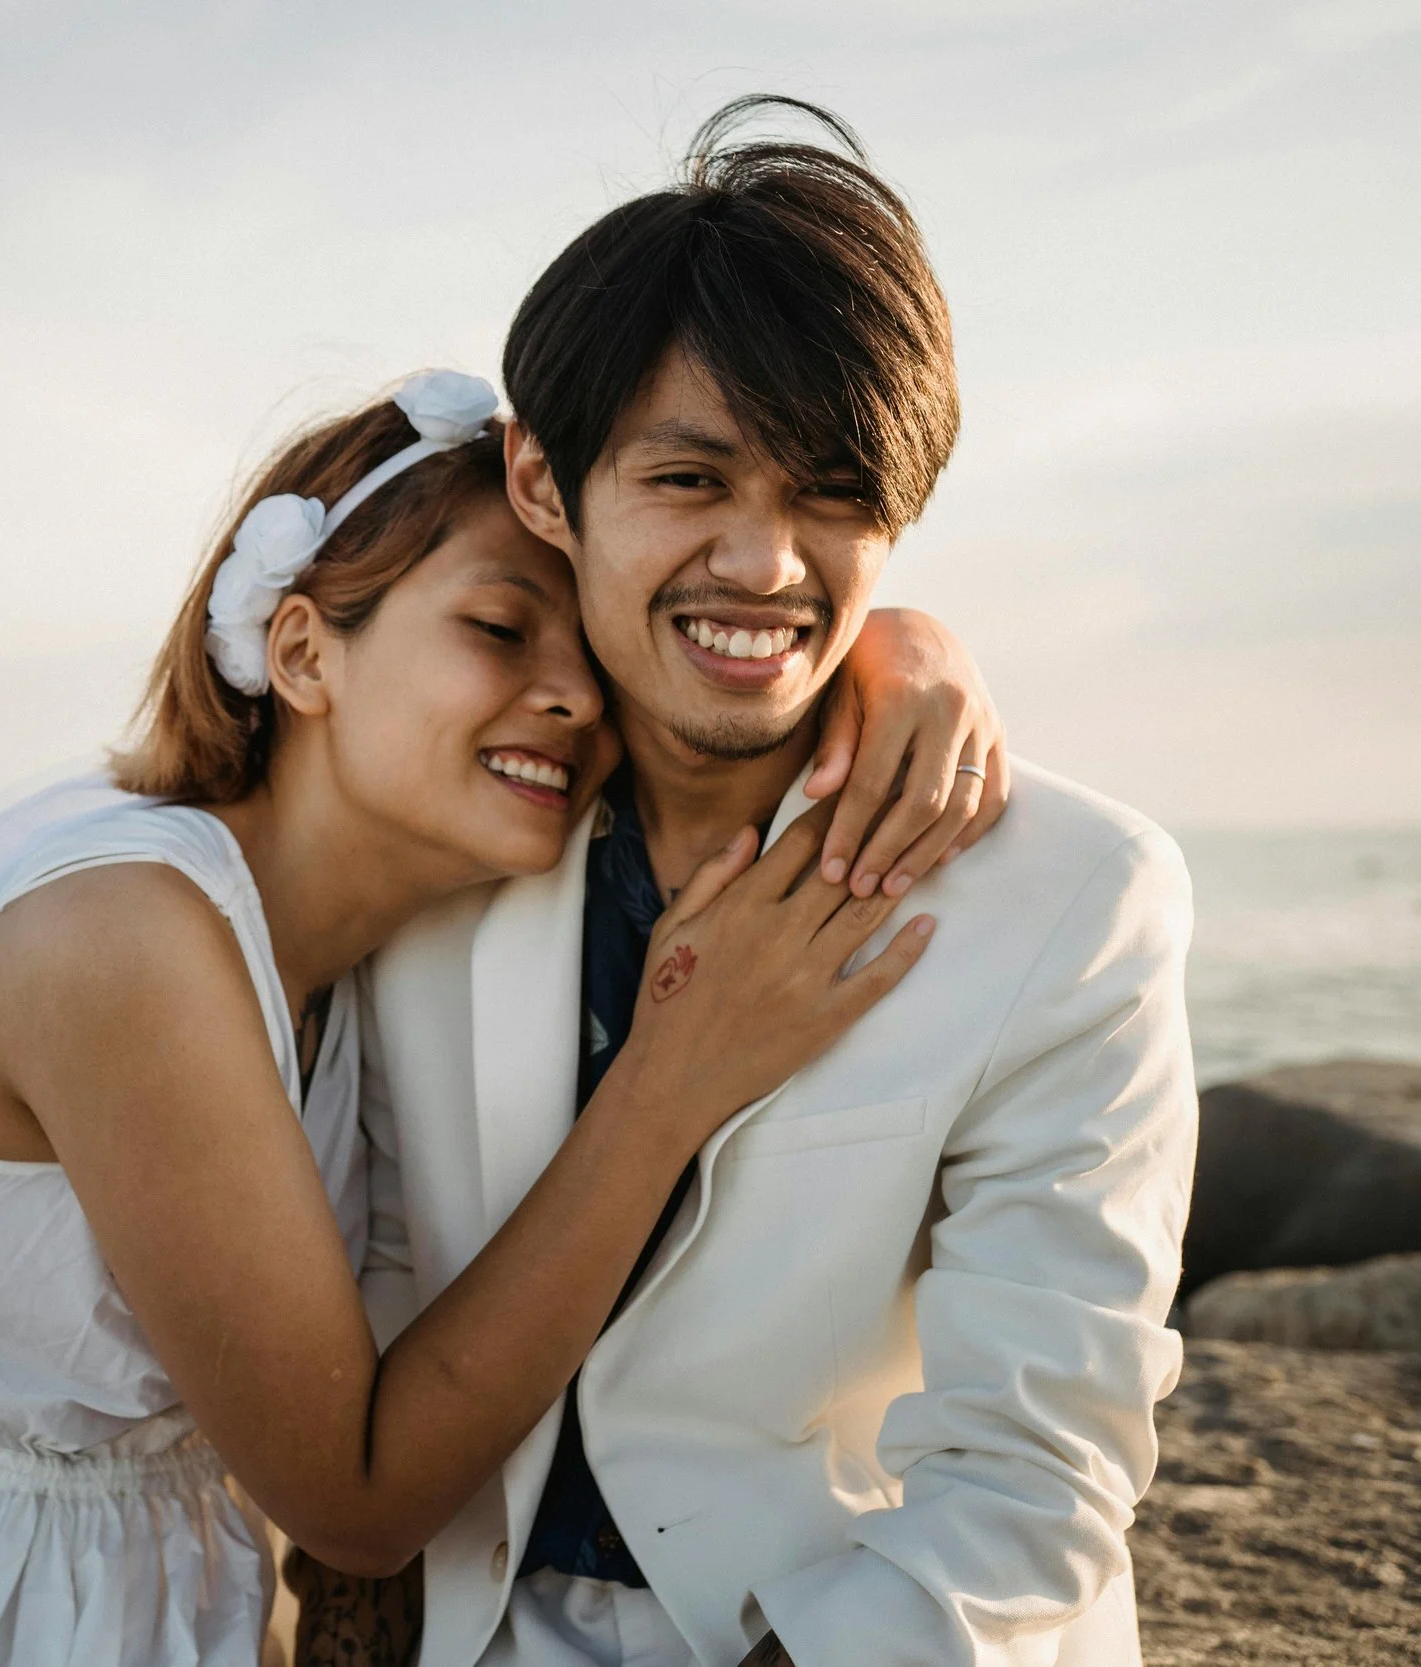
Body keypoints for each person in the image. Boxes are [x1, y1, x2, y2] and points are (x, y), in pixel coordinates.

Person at [0, 361, 1006, 1667]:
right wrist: (671, 1078)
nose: (578, 696)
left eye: (582, 647)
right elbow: (353, 1490)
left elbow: (730, 624)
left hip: (100, 1597)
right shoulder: (125, 940)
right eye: (495, 630)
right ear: (305, 647)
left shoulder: (373, 941)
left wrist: (904, 649)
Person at [326, 99, 1196, 1667]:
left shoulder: (1076, 896)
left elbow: (1036, 1473)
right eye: (690, 480)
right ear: (543, 479)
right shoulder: (437, 865)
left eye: (834, 494)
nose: (767, 562)